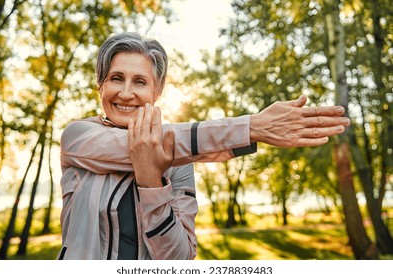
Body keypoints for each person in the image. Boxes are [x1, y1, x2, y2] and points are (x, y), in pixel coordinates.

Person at [57, 32, 350, 260]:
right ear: (101, 85)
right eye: (116, 78)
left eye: (140, 82)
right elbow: (154, 144)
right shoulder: (78, 136)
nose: (126, 92)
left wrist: (151, 184)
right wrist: (252, 128)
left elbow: (179, 260)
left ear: (156, 92)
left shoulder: (181, 162)